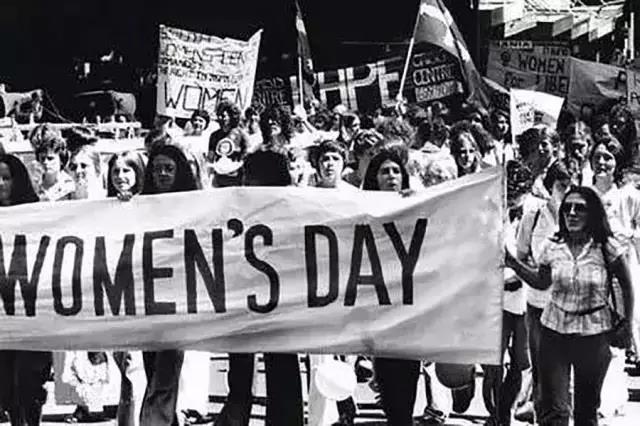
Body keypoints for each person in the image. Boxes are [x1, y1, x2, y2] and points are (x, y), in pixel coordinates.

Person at [506, 186, 635, 426]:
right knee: (554, 409)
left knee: (586, 410)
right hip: (554, 332)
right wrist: (513, 263)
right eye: (567, 208)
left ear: (592, 213)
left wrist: (627, 325)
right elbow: (541, 282)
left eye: (579, 208)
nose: (572, 213)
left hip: (594, 335)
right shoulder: (552, 246)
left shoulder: (606, 247)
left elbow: (627, 286)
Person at [216, 149, 304, 426]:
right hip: (254, 298)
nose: (245, 182)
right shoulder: (237, 207)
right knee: (254, 370)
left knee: (273, 368)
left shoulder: (295, 208)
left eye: (250, 177)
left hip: (273, 300)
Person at [139, 144, 198, 425]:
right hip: (148, 301)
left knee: (165, 373)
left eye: (169, 168)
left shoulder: (196, 206)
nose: (162, 174)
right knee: (153, 370)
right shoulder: (139, 206)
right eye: (156, 169)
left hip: (179, 300)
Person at [361, 150, 417, 425]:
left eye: (396, 171)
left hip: (411, 309)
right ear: (375, 178)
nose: (391, 176)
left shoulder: (418, 205)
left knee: (407, 390)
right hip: (380, 309)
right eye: (385, 171)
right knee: (390, 390)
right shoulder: (362, 210)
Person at [515, 161, 572, 423]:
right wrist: (536, 273)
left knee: (566, 374)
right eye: (562, 186)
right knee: (541, 372)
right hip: (538, 306)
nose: (567, 191)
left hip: (570, 307)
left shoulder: (581, 219)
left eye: (571, 186)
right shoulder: (533, 216)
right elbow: (521, 256)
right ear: (550, 186)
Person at [588, 136, 640, 418]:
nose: (602, 162)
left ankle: (610, 397)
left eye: (608, 157)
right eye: (597, 157)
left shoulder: (629, 196)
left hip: (621, 271)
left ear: (617, 161)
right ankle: (594, 396)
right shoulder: (585, 193)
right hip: (591, 272)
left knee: (618, 334)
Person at [0, 154, 53, 426]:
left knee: (29, 384)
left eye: (6, 178)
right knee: (5, 388)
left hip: (32, 318)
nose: (0, 184)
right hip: (2, 319)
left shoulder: (38, 216)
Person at [483, 160, 533, 426]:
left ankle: (506, 410)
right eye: (507, 192)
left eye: (517, 192)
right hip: (493, 296)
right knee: (493, 360)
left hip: (524, 295)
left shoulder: (534, 213)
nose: (511, 198)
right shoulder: (487, 212)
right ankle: (495, 413)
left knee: (521, 361)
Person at [105, 150, 148, 426]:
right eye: (116, 171)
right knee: (124, 366)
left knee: (136, 367)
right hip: (116, 297)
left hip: (145, 296)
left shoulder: (153, 205)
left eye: (127, 170)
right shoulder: (101, 210)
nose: (121, 176)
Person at [29, 124, 75, 201]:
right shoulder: (33, 186)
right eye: (42, 158)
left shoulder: (70, 187)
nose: (45, 162)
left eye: (50, 158)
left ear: (61, 159)